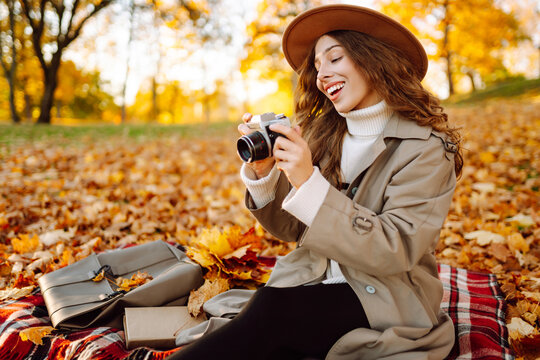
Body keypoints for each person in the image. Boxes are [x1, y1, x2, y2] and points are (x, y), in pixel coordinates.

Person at [166, 4, 462, 360]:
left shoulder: (426, 149)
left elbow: (395, 248)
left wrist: (309, 182)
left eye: (335, 58)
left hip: (385, 296)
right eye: (318, 66)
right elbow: (291, 228)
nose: (323, 74)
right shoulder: (325, 135)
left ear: (374, 59)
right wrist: (264, 175)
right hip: (311, 279)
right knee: (269, 310)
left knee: (275, 312)